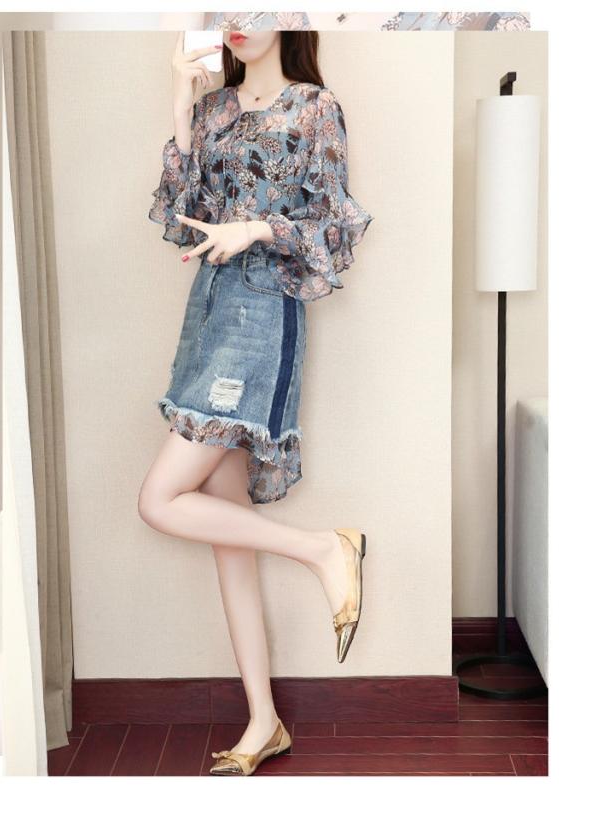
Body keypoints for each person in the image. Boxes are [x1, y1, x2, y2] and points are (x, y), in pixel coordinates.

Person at [139, 29, 372, 776]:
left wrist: (258, 227)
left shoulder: (314, 108)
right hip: (208, 313)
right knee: (228, 536)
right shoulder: (215, 110)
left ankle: (324, 548)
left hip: (263, 316)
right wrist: (181, 108)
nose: (242, 17)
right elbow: (181, 218)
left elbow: (334, 228)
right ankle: (264, 721)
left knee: (159, 500)